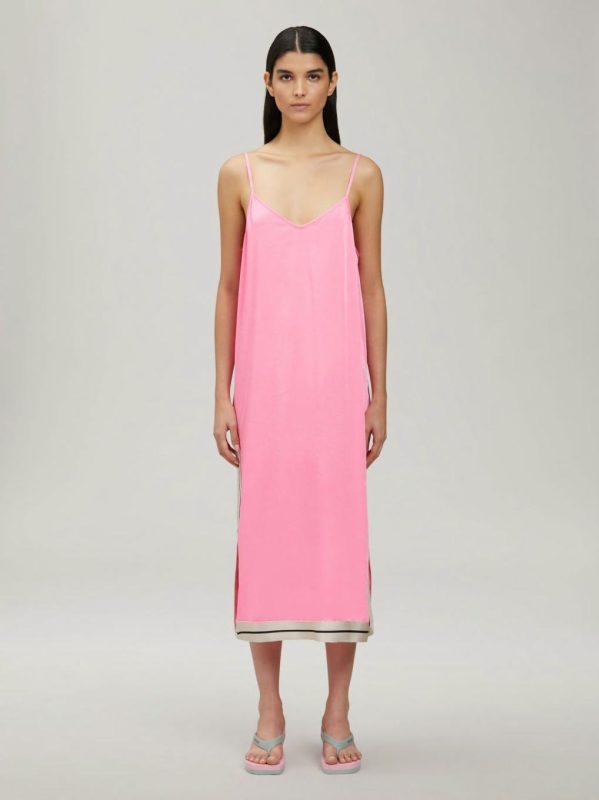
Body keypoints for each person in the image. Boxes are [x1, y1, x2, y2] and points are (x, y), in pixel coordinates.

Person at [213, 26, 387, 775]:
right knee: (268, 540)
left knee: (339, 541)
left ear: (333, 82)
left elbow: (372, 288)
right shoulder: (239, 173)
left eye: (313, 75)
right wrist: (222, 394)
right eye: (286, 76)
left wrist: (379, 394)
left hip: (335, 387)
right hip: (267, 389)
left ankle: (338, 710)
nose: (299, 89)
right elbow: (227, 288)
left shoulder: (361, 175)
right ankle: (270, 709)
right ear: (268, 83)